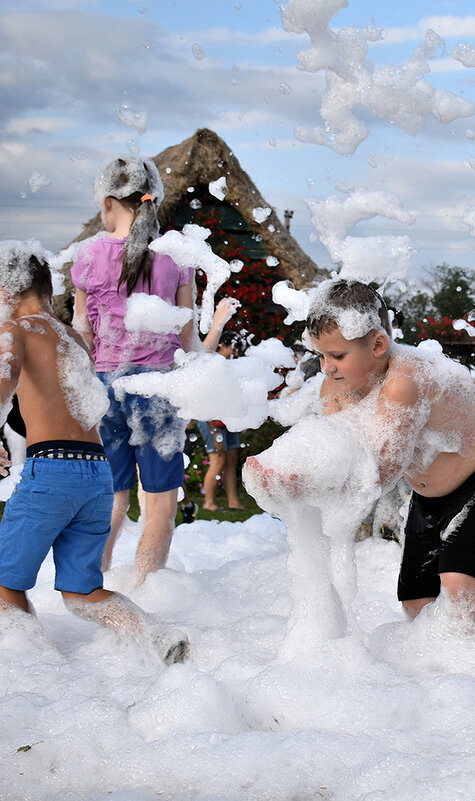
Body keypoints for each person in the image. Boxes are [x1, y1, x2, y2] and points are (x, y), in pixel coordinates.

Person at [245, 279, 475, 621]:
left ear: (378, 345)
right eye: (321, 355)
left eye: (338, 355)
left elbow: (382, 471)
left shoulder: (403, 382)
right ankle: (444, 673)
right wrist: (289, 476)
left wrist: (307, 485)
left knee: (460, 588)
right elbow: (333, 450)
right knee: (416, 600)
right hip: (429, 495)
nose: (327, 367)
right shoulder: (335, 387)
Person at [0, 243, 188, 664]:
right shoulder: (72, 338)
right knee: (81, 592)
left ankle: (32, 664)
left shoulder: (16, 329)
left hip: (50, 470)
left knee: (4, 582)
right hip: (96, 476)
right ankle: (156, 636)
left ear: (6, 292)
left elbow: (2, 383)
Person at [71, 156, 198, 586]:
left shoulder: (87, 255)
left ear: (108, 202)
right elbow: (186, 334)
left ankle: (88, 587)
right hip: (158, 388)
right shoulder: (175, 255)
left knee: (111, 499)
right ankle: (147, 595)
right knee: (160, 505)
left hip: (105, 386)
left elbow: (81, 334)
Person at [197, 298, 245, 512]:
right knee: (217, 460)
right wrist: (212, 428)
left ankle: (233, 502)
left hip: (226, 420)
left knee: (232, 460)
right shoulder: (211, 363)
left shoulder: (229, 366)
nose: (235, 353)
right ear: (222, 345)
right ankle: (209, 503)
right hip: (210, 420)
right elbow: (202, 398)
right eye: (232, 348)